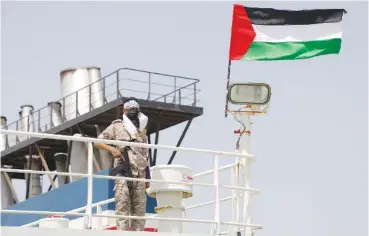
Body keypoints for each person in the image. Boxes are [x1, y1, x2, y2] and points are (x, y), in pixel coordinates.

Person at [94, 97, 150, 231]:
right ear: (124, 110)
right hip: (123, 171)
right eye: (130, 109)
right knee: (123, 205)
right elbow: (97, 142)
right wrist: (112, 149)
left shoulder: (142, 131)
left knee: (139, 211)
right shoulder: (117, 126)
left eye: (135, 109)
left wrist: (148, 177)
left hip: (140, 175)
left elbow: (145, 155)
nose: (133, 111)